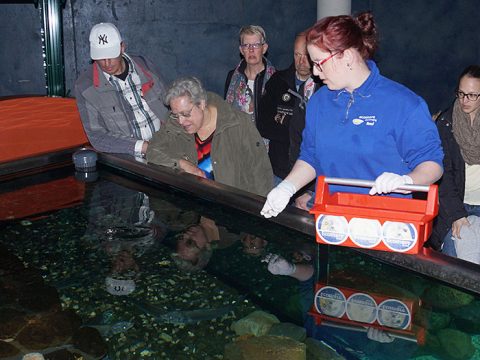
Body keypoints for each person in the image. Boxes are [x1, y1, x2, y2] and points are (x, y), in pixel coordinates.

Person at [261, 12, 444, 218]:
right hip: (332, 218)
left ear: (347, 56)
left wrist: (408, 180)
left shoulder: (403, 103)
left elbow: (432, 164)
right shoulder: (319, 102)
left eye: (319, 63)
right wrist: (287, 187)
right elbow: (311, 157)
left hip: (388, 221)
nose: (315, 72)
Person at [146, 76, 274, 197]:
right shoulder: (174, 122)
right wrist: (183, 164)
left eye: (186, 114)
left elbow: (260, 174)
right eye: (176, 114)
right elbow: (153, 150)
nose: (181, 121)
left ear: (201, 104)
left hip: (231, 207)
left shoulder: (238, 123)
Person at [75, 23, 168, 157]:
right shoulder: (85, 86)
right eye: (101, 57)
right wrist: (145, 147)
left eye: (111, 55)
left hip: (166, 145)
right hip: (130, 157)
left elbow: (169, 104)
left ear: (122, 47)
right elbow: (97, 137)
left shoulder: (144, 66)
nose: (107, 63)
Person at [257, 32, 322, 208]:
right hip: (280, 170)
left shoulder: (325, 85)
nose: (300, 62)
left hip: (313, 178)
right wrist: (296, 134)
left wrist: (286, 124)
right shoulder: (278, 81)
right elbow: (263, 125)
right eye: (296, 55)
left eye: (305, 56)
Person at [430, 65, 480, 257]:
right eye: (461, 93)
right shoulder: (445, 123)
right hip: (457, 205)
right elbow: (443, 174)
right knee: (453, 260)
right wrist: (457, 214)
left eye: (472, 95)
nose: (464, 100)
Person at [224, 25, 276, 125]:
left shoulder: (276, 79)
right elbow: (226, 113)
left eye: (256, 45)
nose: (251, 50)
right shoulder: (232, 77)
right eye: (246, 45)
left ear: (264, 48)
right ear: (241, 50)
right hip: (237, 137)